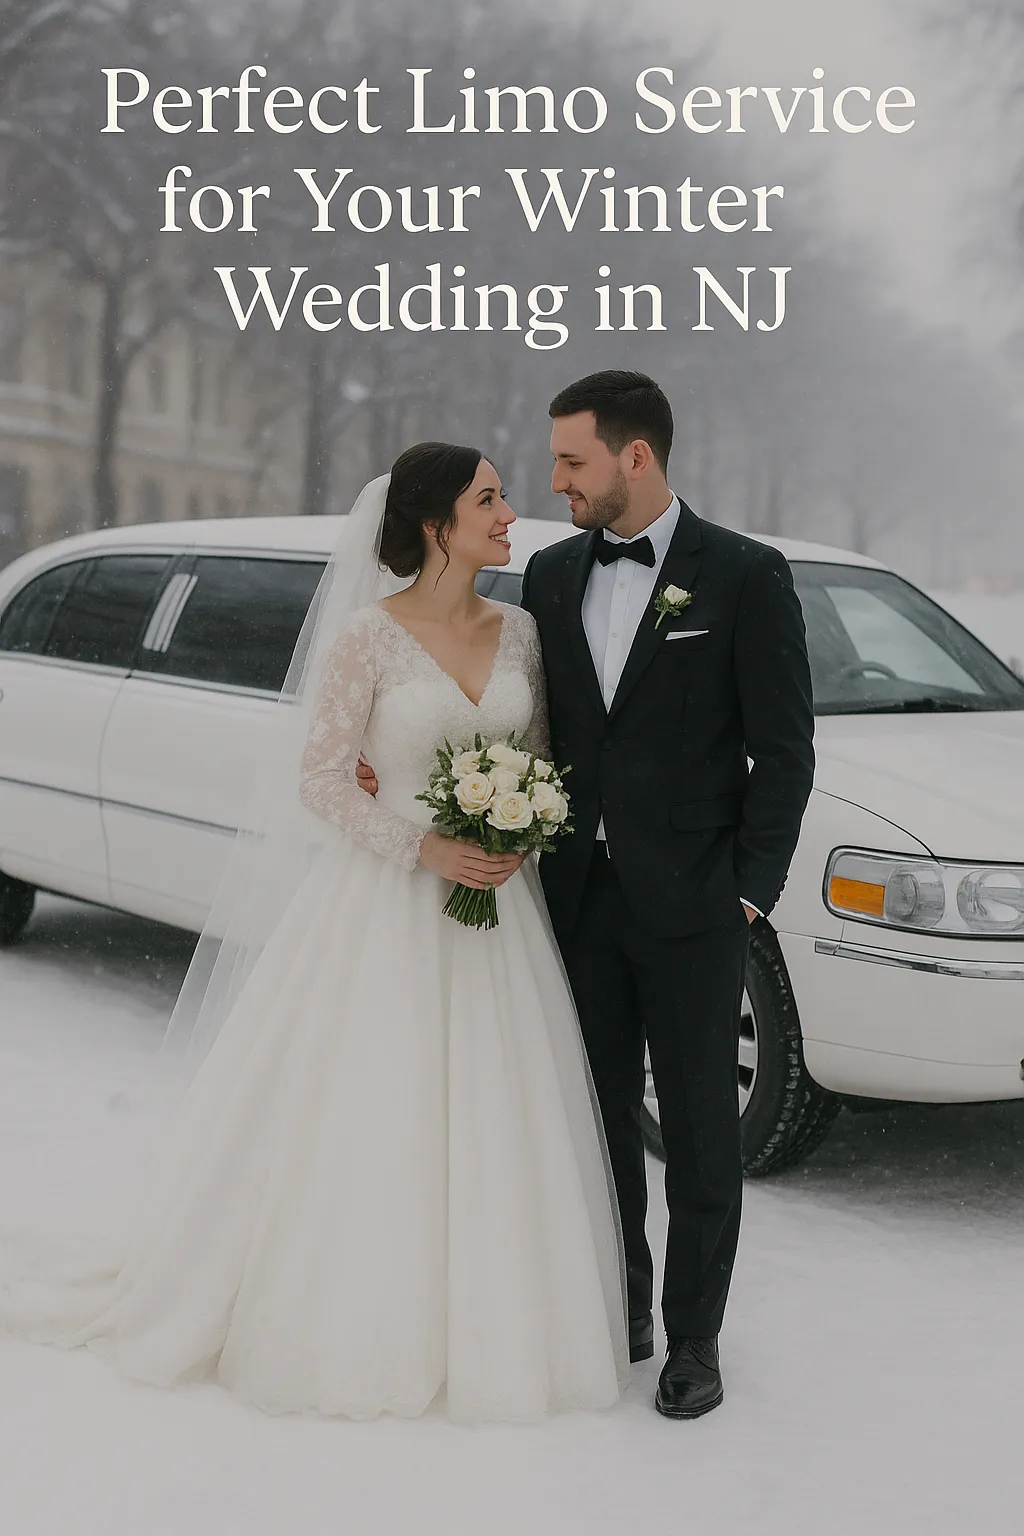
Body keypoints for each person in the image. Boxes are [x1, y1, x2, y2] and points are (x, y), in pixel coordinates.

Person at [0, 444, 629, 1424]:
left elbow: (538, 761)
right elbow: (322, 779)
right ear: (436, 523)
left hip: (499, 917)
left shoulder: (518, 633)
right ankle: (352, 1312)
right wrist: (423, 850)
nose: (511, 513)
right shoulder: (367, 640)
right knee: (371, 1106)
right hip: (382, 906)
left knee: (495, 1109)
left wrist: (520, 827)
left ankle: (495, 1317)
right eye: (489, 499)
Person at [361, 371, 815, 1420]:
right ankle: (624, 1306)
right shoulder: (553, 578)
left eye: (571, 461)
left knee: (701, 1132)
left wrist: (748, 893)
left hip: (699, 905)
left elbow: (783, 751)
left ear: (635, 457)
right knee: (593, 1119)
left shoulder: (746, 576)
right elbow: (513, 723)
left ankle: (695, 1341)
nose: (552, 481)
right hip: (569, 904)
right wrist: (388, 767)